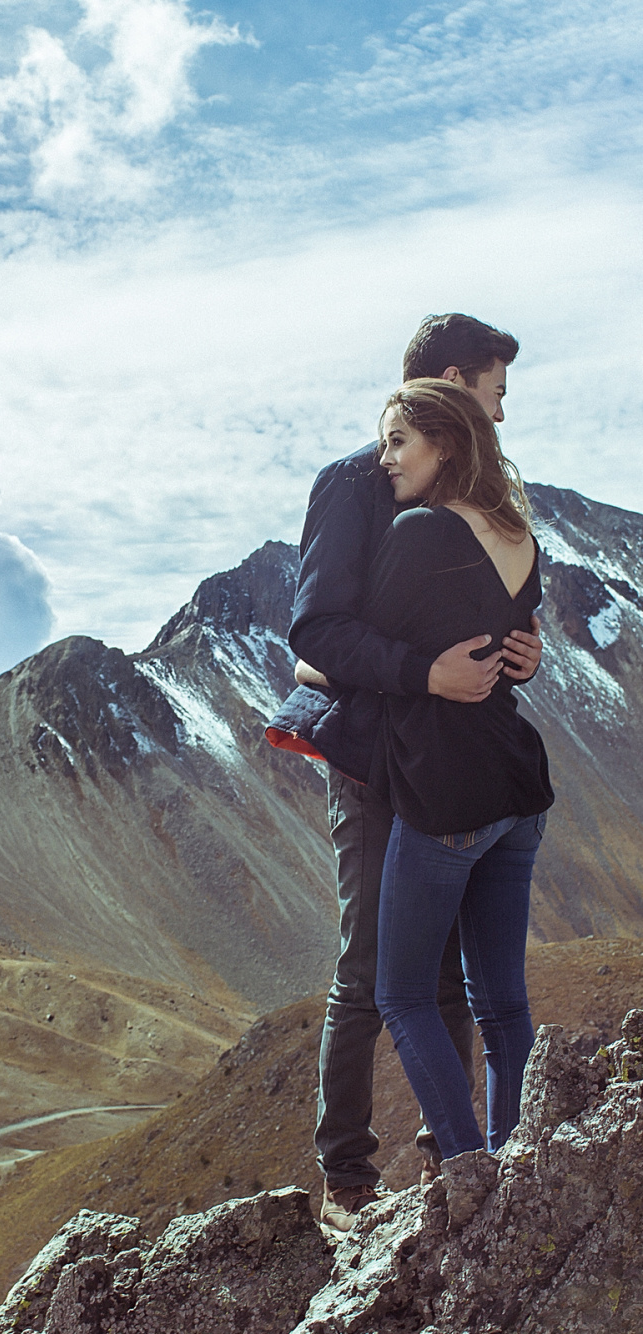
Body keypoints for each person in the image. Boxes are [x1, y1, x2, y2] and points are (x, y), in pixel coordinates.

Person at [266, 314, 542, 1236]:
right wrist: (423, 671)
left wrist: (519, 652)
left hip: (447, 759)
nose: (501, 415)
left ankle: (447, 1159)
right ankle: (348, 1179)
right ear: (457, 389)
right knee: (371, 971)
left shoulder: (481, 504)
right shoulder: (356, 484)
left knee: (453, 978)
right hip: (372, 756)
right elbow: (317, 639)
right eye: (495, 394)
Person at [366, 379, 553, 1158]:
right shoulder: (518, 534)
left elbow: (342, 653)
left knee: (402, 995)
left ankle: (469, 1166)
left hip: (450, 795)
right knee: (502, 999)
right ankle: (517, 1165)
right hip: (519, 791)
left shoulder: (421, 534)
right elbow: (513, 645)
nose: (385, 460)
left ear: (442, 444)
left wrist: (313, 670)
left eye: (397, 441)